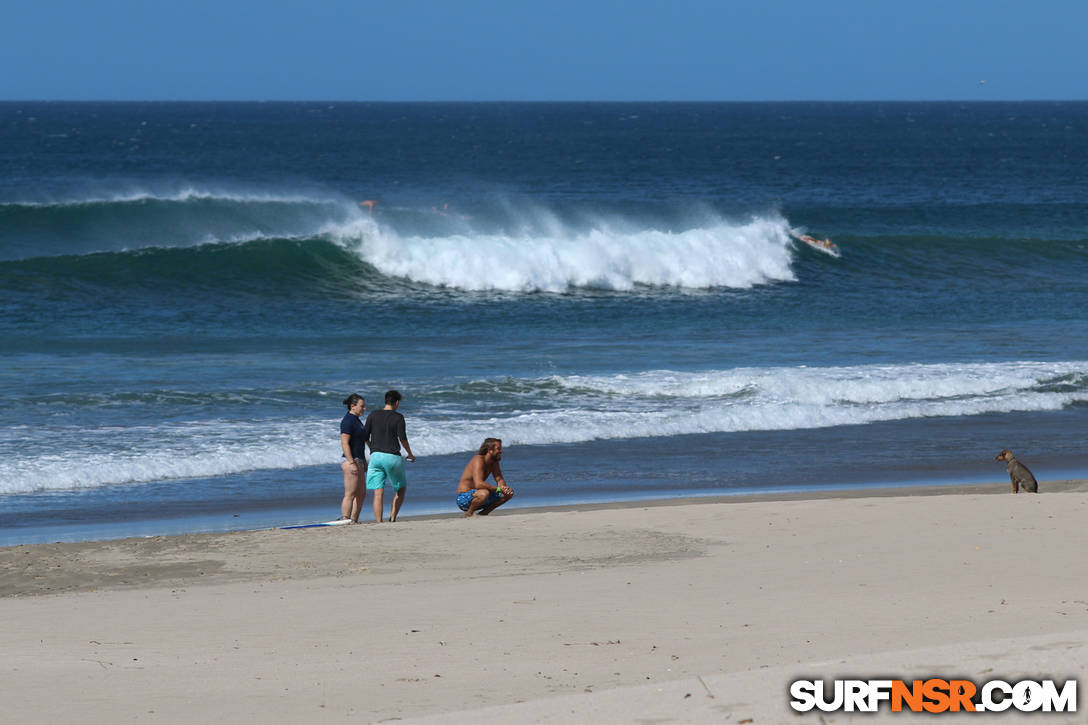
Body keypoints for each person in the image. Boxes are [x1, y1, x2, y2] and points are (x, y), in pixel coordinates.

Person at [363, 390, 416, 522]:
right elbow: (402, 438)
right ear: (396, 402)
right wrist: (409, 453)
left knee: (378, 492)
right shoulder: (398, 417)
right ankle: (392, 518)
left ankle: (379, 521)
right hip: (392, 457)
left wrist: (372, 449)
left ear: (385, 400)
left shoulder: (373, 414)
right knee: (400, 489)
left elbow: (364, 436)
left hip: (375, 457)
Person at [456, 438, 514, 517]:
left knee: (509, 493)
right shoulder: (478, 459)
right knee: (484, 493)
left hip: (480, 497)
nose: (501, 451)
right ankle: (469, 513)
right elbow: (479, 484)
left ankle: (483, 513)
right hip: (464, 499)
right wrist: (499, 489)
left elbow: (499, 479)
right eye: (498, 449)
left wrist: (504, 488)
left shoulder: (494, 462)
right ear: (490, 450)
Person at [339, 393, 368, 523]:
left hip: (359, 460)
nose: (364, 408)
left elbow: (362, 442)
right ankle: (345, 519)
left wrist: (364, 461)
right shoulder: (347, 420)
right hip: (349, 460)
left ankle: (354, 520)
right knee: (350, 494)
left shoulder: (357, 420)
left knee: (361, 494)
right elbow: (344, 442)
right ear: (353, 406)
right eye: (362, 406)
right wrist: (351, 462)